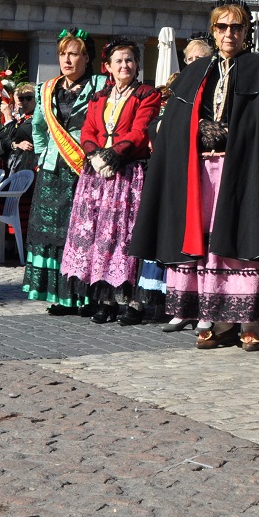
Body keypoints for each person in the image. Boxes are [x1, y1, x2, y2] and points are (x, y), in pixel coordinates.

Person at [129, 0, 259, 350]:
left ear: (247, 31)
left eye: (236, 27)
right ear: (213, 30)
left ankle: (249, 321)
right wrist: (199, 126)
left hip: (244, 172)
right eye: (222, 27)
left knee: (241, 239)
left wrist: (234, 132)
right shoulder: (195, 72)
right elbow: (173, 125)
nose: (229, 34)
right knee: (204, 242)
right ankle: (214, 318)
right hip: (201, 171)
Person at [61, 38, 163, 324]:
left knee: (124, 236)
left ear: (137, 64)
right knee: (98, 236)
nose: (124, 65)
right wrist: (94, 156)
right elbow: (88, 130)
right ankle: (104, 299)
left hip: (127, 174)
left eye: (129, 60)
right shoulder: (98, 97)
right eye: (118, 61)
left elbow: (141, 130)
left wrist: (113, 156)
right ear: (107, 67)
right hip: (98, 177)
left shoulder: (147, 94)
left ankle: (133, 302)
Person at [19, 31, 106, 310]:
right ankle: (60, 296)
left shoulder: (100, 85)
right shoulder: (47, 88)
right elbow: (38, 128)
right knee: (53, 234)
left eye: (73, 54)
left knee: (83, 232)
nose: (67, 60)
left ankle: (85, 295)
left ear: (86, 57)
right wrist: (45, 154)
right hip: (53, 171)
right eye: (62, 54)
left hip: (85, 168)